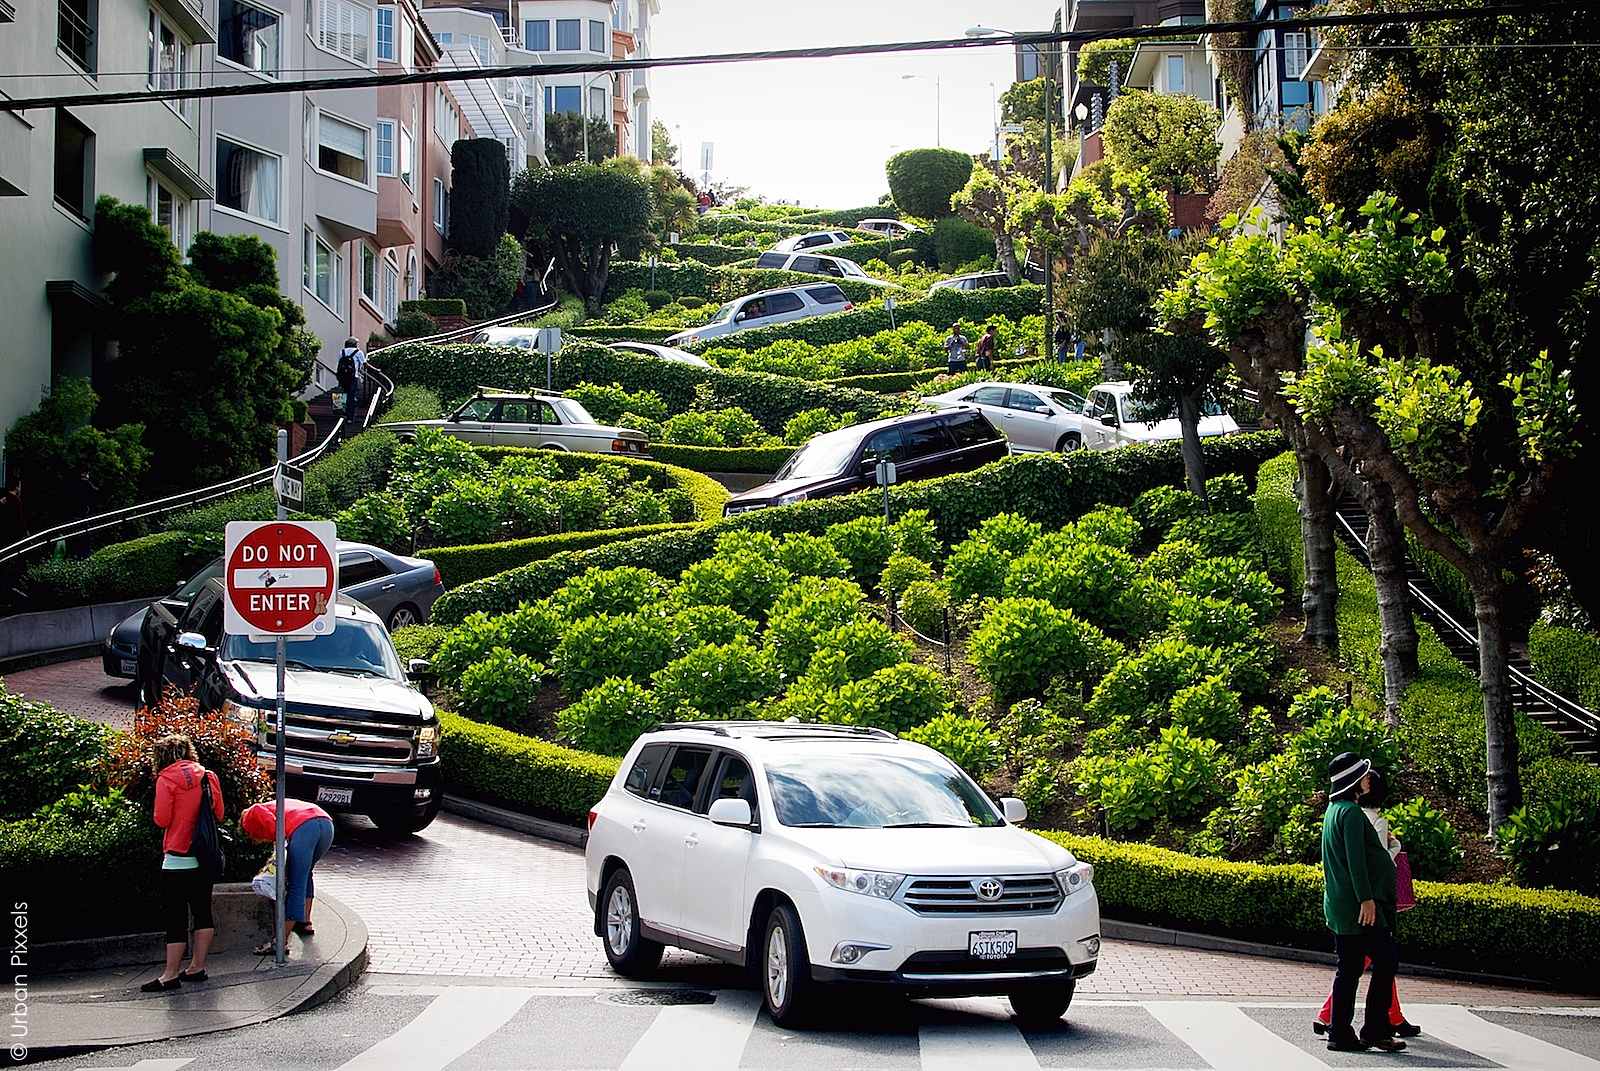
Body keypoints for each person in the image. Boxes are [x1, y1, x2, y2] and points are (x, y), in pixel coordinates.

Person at [1314, 769, 1420, 1038]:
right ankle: (1372, 1028)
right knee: (1383, 961)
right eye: (1362, 776)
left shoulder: (1334, 809)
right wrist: (1366, 899)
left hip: (1341, 903)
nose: (1366, 780)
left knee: (1350, 968)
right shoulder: (1350, 813)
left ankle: (1342, 1030)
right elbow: (1357, 861)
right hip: (1358, 906)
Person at [144, 734, 223, 993]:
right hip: (204, 857)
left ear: (162, 757)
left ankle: (169, 975)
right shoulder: (207, 776)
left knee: (175, 918)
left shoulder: (166, 780)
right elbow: (219, 814)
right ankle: (197, 967)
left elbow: (162, 819)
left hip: (177, 858)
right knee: (203, 912)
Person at [241, 799, 336, 954]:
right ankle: (305, 922)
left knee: (295, 883)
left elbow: (274, 828)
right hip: (326, 824)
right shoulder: (276, 805)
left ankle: (280, 942)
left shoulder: (251, 814)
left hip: (304, 828)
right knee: (306, 873)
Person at [336, 338, 363, 423]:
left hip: (343, 377)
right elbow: (364, 364)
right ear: (355, 344)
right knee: (351, 396)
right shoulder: (358, 352)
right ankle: (350, 417)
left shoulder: (342, 352)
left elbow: (339, 363)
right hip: (353, 377)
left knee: (343, 394)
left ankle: (340, 413)